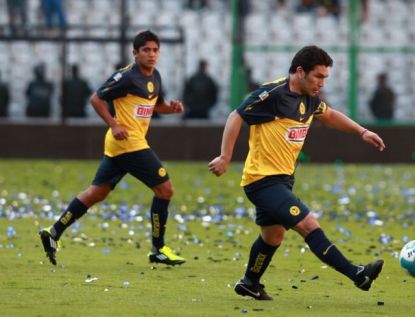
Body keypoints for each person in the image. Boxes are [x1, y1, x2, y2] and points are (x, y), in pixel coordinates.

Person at [208, 46, 386, 300]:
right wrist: (225, 156)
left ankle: (249, 282)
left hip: (283, 180)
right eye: (318, 77)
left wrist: (362, 132)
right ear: (300, 72)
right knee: (308, 224)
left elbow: (331, 115)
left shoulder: (310, 98)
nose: (321, 83)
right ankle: (358, 274)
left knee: (273, 236)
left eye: (325, 78)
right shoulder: (273, 94)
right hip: (262, 181)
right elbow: (235, 116)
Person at [39, 30, 186, 267]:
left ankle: (53, 232)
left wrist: (172, 108)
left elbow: (155, 106)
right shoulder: (126, 77)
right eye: (146, 50)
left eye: (155, 50)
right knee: (165, 190)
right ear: (135, 53)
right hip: (129, 143)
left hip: (121, 145)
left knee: (97, 192)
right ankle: (158, 249)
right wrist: (114, 123)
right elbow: (96, 99)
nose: (151, 54)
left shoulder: (155, 76)